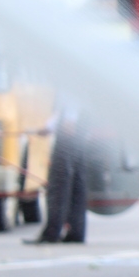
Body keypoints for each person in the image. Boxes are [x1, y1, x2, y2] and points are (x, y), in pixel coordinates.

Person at [26, 104, 88, 244]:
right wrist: (50, 126)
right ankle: (76, 231)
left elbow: (69, 101)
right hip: (78, 132)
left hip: (68, 132)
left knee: (59, 185)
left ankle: (52, 233)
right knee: (76, 185)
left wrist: (68, 121)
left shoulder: (69, 85)